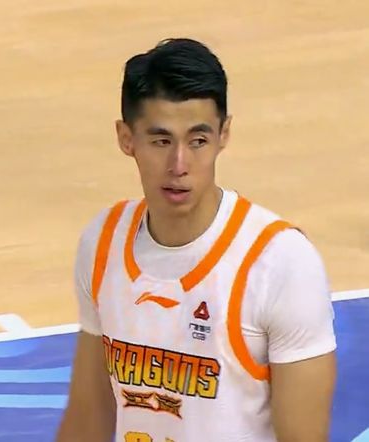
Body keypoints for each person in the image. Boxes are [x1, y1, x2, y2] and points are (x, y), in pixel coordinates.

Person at [56, 38, 336, 442]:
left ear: (224, 135)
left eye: (197, 141)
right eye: (161, 141)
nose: (179, 165)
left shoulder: (281, 263)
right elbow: (88, 418)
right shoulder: (103, 241)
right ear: (126, 138)